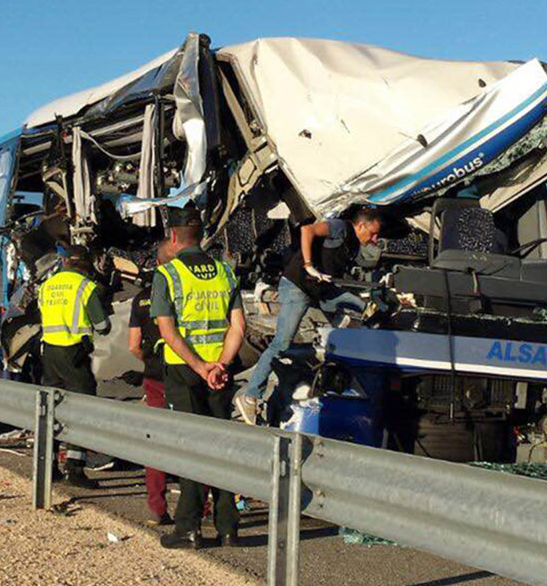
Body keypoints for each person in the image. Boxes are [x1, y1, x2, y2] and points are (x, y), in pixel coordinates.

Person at [152, 205, 246, 550]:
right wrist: (220, 364)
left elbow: (168, 330)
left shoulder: (167, 275)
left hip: (185, 372)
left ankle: (188, 528)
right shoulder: (225, 271)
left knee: (191, 447)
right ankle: (227, 528)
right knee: (222, 446)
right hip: (221, 372)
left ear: (173, 237)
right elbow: (238, 327)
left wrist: (198, 366)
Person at [235, 208, 382, 425]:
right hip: (299, 288)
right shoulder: (339, 228)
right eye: (372, 233)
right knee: (280, 344)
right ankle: (251, 396)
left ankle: (347, 326)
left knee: (360, 306)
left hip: (319, 290)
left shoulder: (352, 244)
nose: (375, 239)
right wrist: (308, 265)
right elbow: (307, 230)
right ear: (360, 225)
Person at [37, 243, 111, 488]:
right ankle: (75, 469)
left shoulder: (46, 286)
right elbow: (102, 327)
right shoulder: (86, 287)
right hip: (74, 354)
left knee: (51, 409)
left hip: (49, 354)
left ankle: (48, 466)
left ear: (65, 262)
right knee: (82, 411)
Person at [128, 241, 173, 526]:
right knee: (197, 441)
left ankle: (158, 508)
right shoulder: (185, 292)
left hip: (155, 376)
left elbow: (133, 346)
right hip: (190, 374)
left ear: (156, 265)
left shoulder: (142, 298)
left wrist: (150, 361)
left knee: (156, 442)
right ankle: (200, 510)